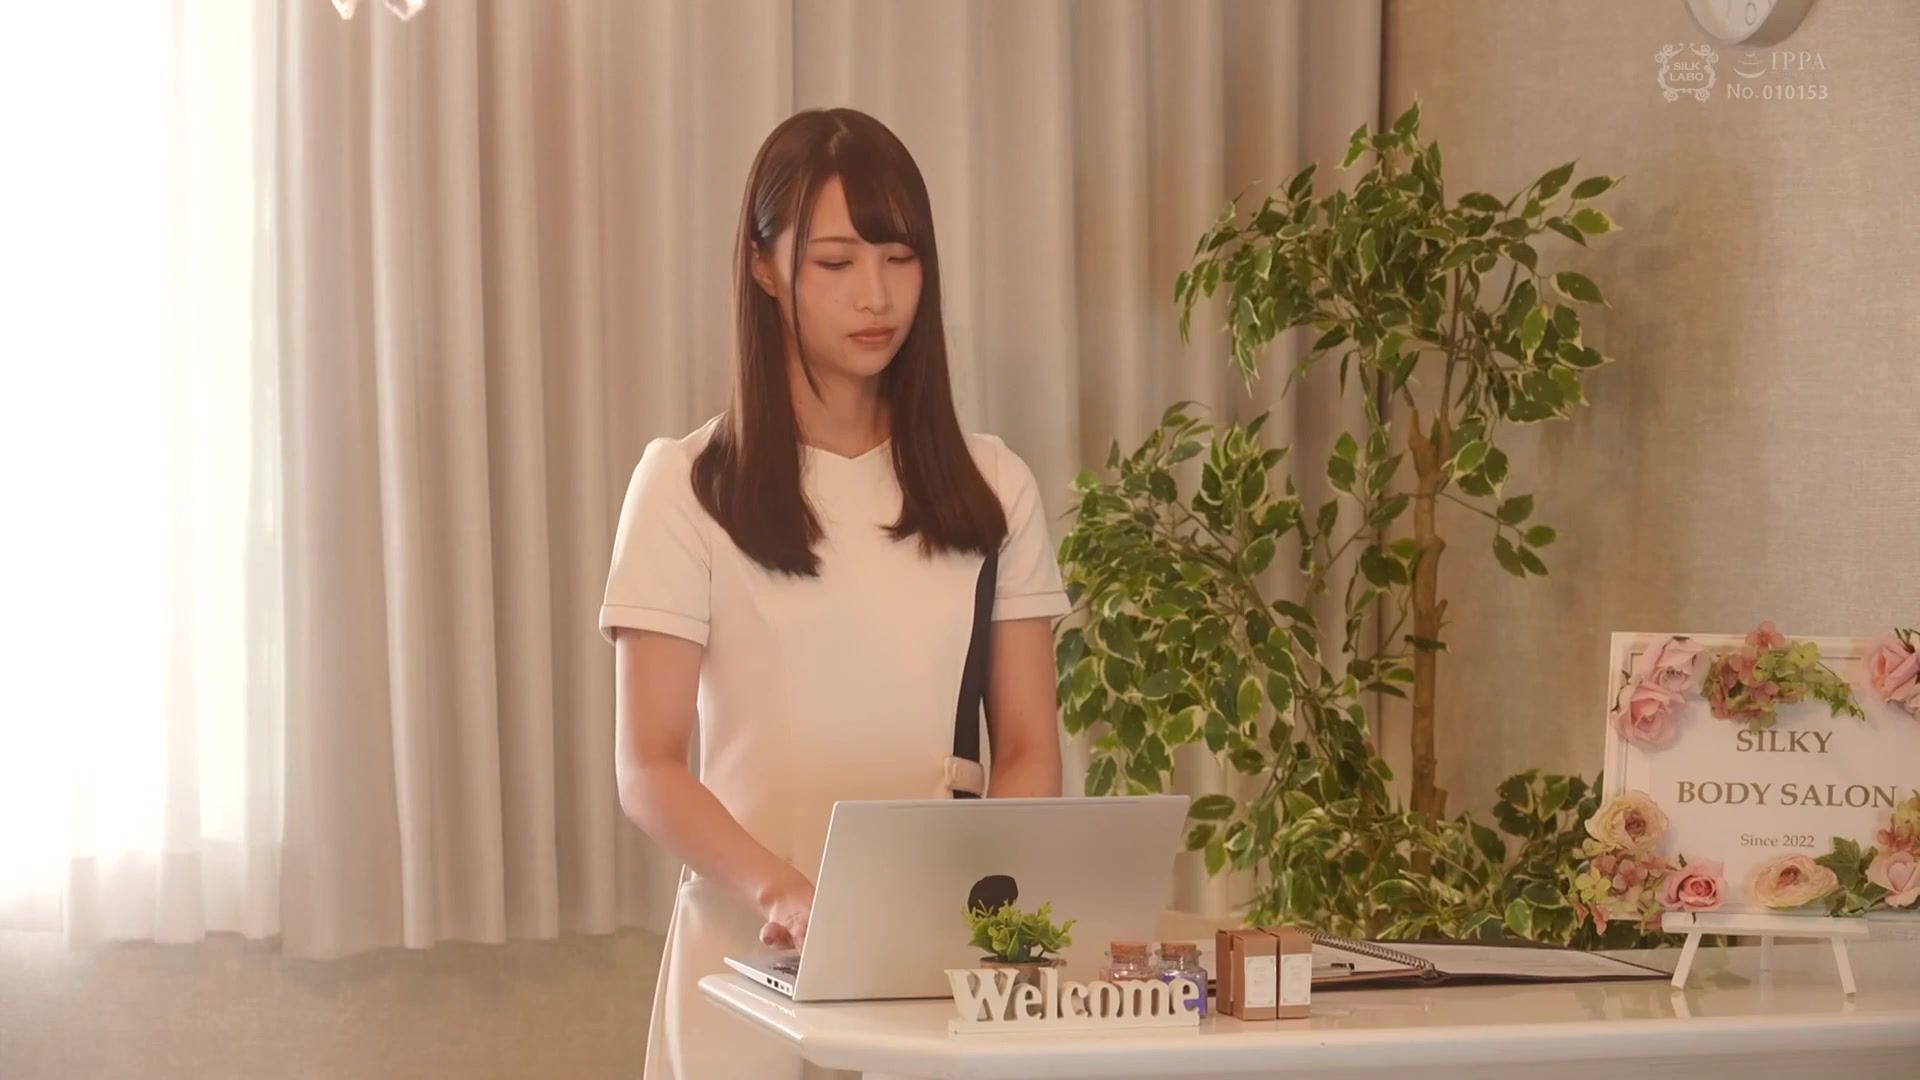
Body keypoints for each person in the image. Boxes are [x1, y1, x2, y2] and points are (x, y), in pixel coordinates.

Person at [599, 107, 1071, 1080]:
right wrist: (783, 892)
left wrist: (972, 904)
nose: (876, 295)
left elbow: (1029, 750)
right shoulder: (688, 485)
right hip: (742, 967)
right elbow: (649, 764)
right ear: (764, 266)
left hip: (932, 974)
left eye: (900, 258)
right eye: (837, 262)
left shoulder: (992, 487)